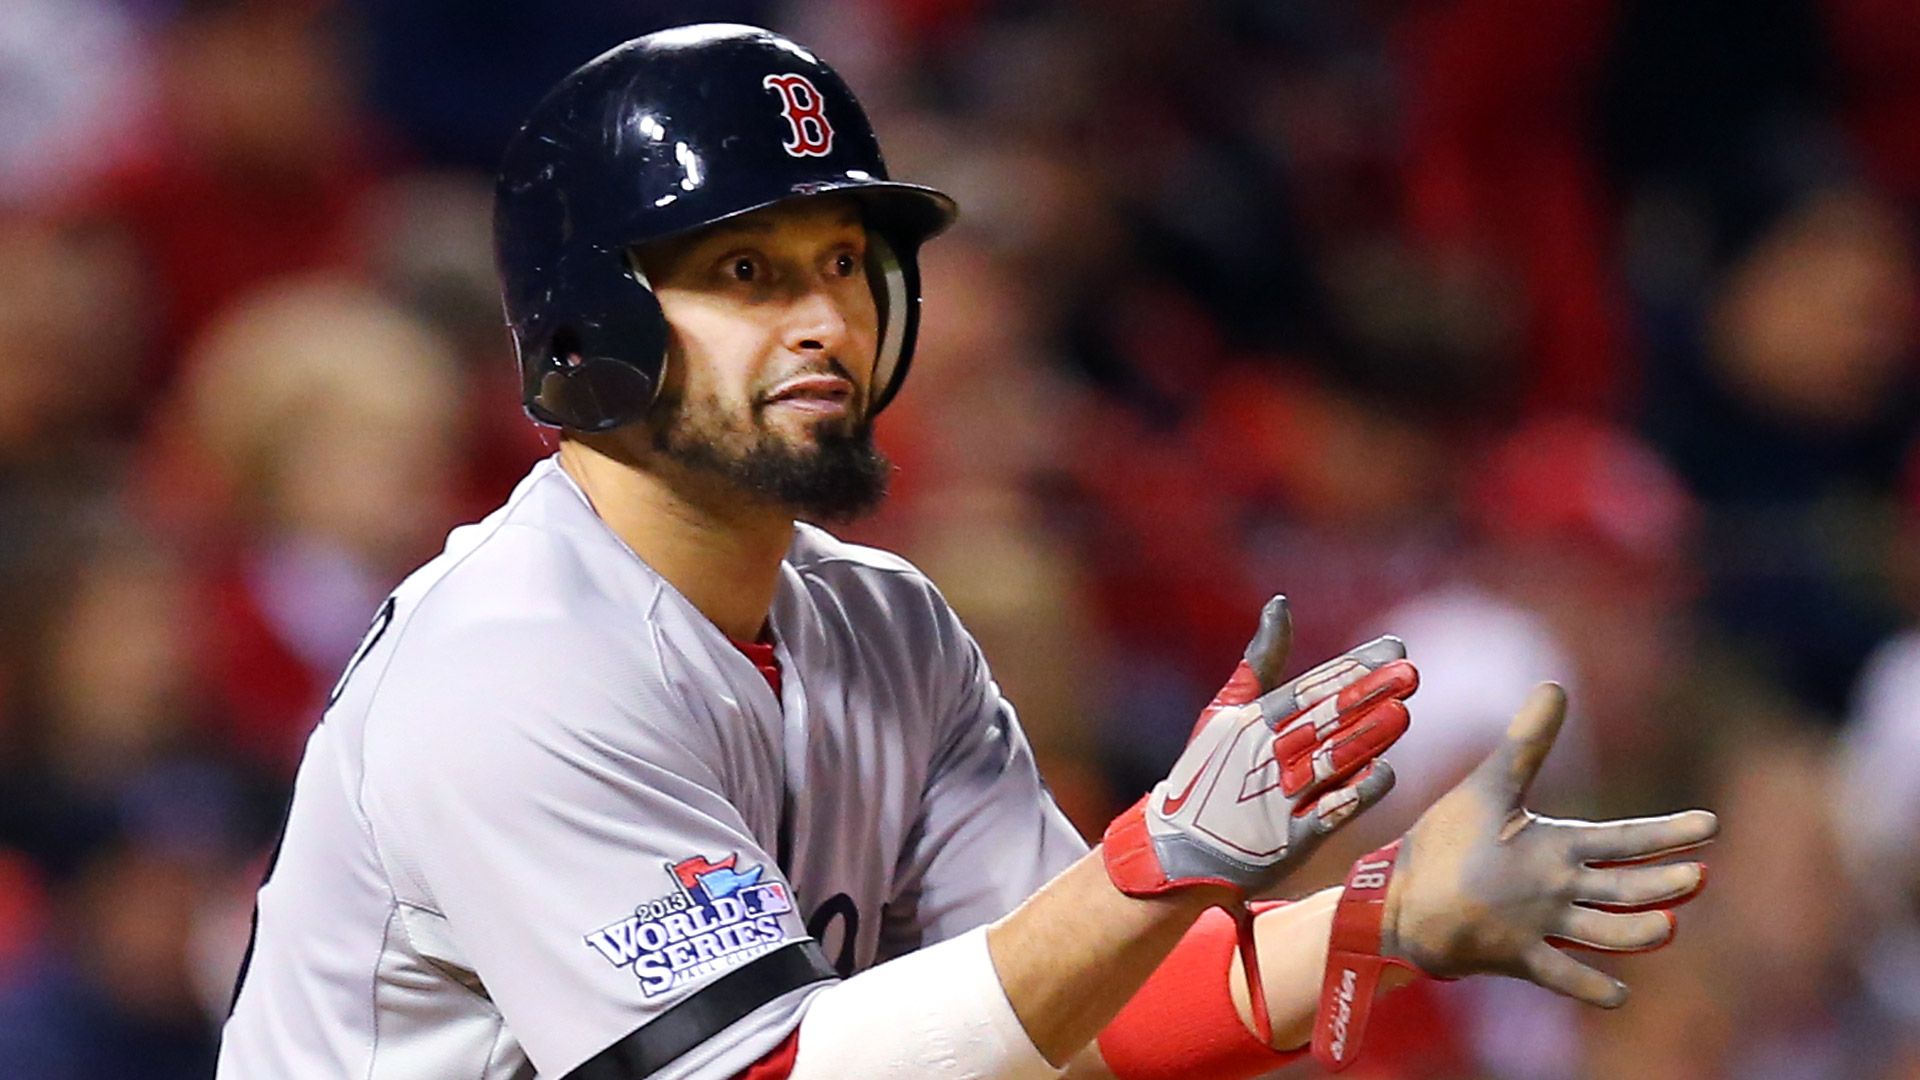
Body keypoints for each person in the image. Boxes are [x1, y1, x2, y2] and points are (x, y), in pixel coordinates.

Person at [215, 24, 1717, 1080]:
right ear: (585, 327)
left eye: (844, 266)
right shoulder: (510, 665)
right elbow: (772, 1074)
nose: (828, 320)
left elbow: (1068, 1011)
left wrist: (1378, 920)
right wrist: (1147, 873)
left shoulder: (890, 627)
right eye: (747, 271)